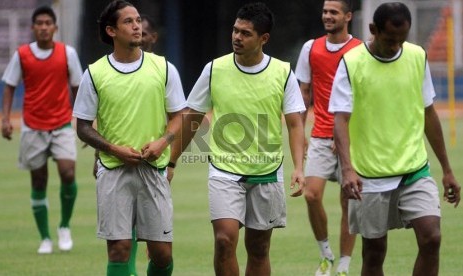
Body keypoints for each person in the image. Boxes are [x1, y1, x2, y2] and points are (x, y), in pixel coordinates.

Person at [170, 2, 306, 275]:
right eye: (235, 30)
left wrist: (299, 167)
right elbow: (192, 119)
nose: (236, 37)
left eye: (245, 33)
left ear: (263, 38)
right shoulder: (214, 69)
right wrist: (171, 163)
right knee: (224, 241)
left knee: (258, 249)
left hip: (266, 172)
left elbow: (294, 124)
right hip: (224, 170)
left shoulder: (282, 72)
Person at [329, 2, 461, 276]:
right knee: (374, 253)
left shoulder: (416, 56)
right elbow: (340, 120)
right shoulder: (352, 63)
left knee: (432, 237)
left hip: (414, 170)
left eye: (402, 39)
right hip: (369, 176)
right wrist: (348, 169)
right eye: (390, 40)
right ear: (373, 30)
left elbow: (428, 114)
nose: (396, 46)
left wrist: (447, 170)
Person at [73, 1, 186, 275]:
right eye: (128, 22)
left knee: (161, 254)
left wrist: (163, 142)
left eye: (137, 20)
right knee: (119, 249)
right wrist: (113, 149)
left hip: (153, 170)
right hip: (114, 170)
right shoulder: (95, 73)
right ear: (111, 30)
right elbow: (83, 127)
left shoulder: (164, 68)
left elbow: (179, 115)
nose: (137, 26)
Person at [0, 5, 82, 254]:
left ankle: (64, 226)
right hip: (32, 126)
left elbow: (77, 86)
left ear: (55, 28)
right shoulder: (22, 54)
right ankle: (45, 237)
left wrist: (83, 119)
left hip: (62, 124)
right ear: (33, 27)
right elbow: (10, 86)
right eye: (40, 23)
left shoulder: (67, 53)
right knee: (39, 180)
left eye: (48, 23)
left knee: (68, 173)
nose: (44, 27)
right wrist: (5, 119)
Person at [294, 1, 361, 275]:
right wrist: (299, 130)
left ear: (348, 16)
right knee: (311, 195)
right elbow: (304, 92)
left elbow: (364, 95)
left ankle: (344, 264)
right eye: (325, 11)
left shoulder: (360, 50)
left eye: (334, 12)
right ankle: (326, 255)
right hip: (320, 134)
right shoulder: (311, 48)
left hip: (352, 138)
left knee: (350, 201)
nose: (327, 16)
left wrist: (347, 134)